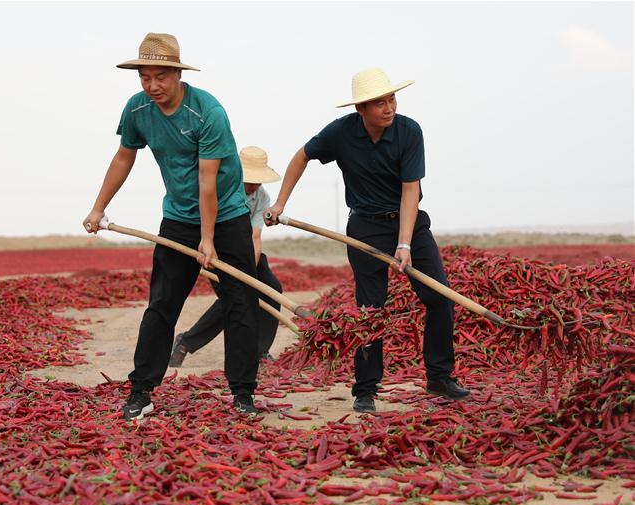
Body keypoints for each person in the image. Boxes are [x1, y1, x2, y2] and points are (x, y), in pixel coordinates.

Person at [266, 67, 470, 413]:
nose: (388, 108)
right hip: (366, 227)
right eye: (378, 103)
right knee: (371, 309)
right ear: (360, 109)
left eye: (391, 99)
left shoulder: (408, 131)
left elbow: (410, 192)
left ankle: (439, 376)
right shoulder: (341, 132)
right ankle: (365, 389)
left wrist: (404, 244)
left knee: (439, 298)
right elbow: (302, 155)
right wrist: (281, 203)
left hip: (410, 224)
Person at [83, 32, 260, 420]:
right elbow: (123, 158)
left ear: (177, 74)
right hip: (177, 218)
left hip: (227, 217)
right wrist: (99, 208)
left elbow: (207, 181)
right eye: (144, 77)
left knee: (240, 305)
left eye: (160, 77)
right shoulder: (137, 110)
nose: (152, 86)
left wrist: (209, 241)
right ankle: (141, 390)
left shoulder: (207, 111)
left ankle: (243, 394)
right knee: (161, 305)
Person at [169, 146, 282, 367]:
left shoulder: (261, 196)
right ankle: (186, 342)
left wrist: (250, 269)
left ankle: (260, 351)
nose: (254, 186)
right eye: (251, 180)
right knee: (234, 297)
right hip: (216, 250)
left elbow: (255, 236)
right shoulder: (224, 188)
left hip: (246, 252)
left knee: (272, 291)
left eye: (258, 181)